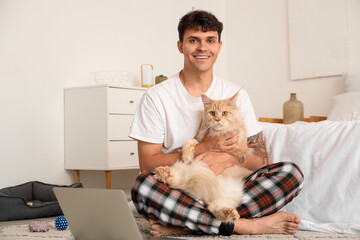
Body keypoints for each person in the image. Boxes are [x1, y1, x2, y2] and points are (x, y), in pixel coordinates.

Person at [129, 10, 304, 237]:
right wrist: (204, 148)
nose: (203, 48)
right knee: (144, 186)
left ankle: (184, 224)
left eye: (210, 40)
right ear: (180, 46)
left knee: (291, 173)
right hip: (182, 188)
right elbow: (147, 164)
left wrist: (227, 157)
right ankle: (244, 226)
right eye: (193, 40)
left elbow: (260, 160)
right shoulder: (156, 97)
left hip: (226, 189)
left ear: (219, 46)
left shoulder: (235, 94)